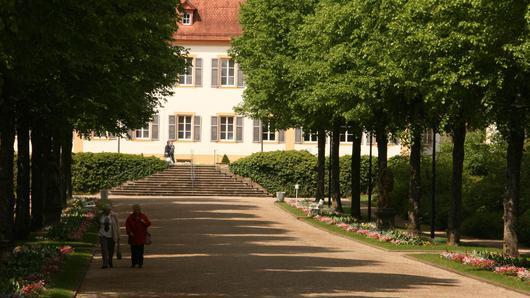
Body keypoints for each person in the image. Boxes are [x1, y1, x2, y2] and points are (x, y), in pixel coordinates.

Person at [125, 204, 151, 268]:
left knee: (140, 251)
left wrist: (143, 222)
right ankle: (134, 263)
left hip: (141, 237)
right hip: (133, 237)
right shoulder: (130, 217)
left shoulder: (143, 216)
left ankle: (140, 263)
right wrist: (129, 232)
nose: (136, 211)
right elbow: (127, 226)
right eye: (135, 210)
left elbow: (148, 223)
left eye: (138, 210)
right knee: (133, 251)